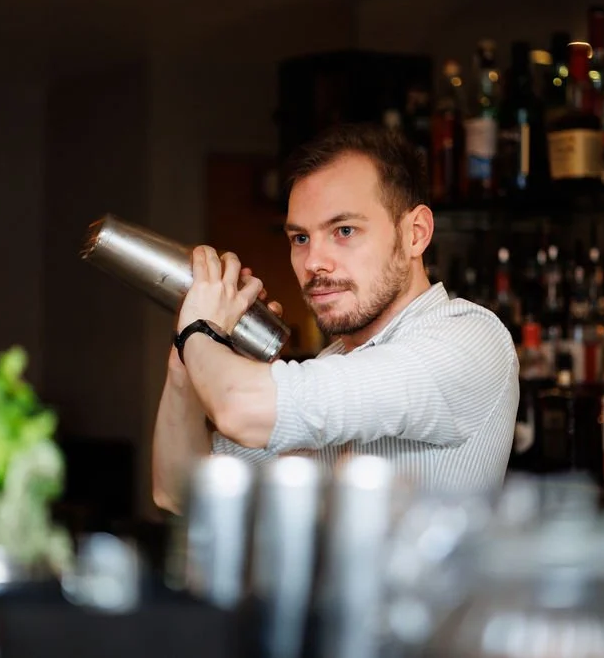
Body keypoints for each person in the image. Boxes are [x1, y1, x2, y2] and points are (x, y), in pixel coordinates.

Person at [151, 122, 519, 514]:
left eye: (344, 230)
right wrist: (183, 360)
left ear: (415, 233)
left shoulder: (467, 339)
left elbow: (242, 408)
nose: (313, 263)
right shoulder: (332, 365)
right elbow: (180, 492)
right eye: (301, 238)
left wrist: (200, 330)